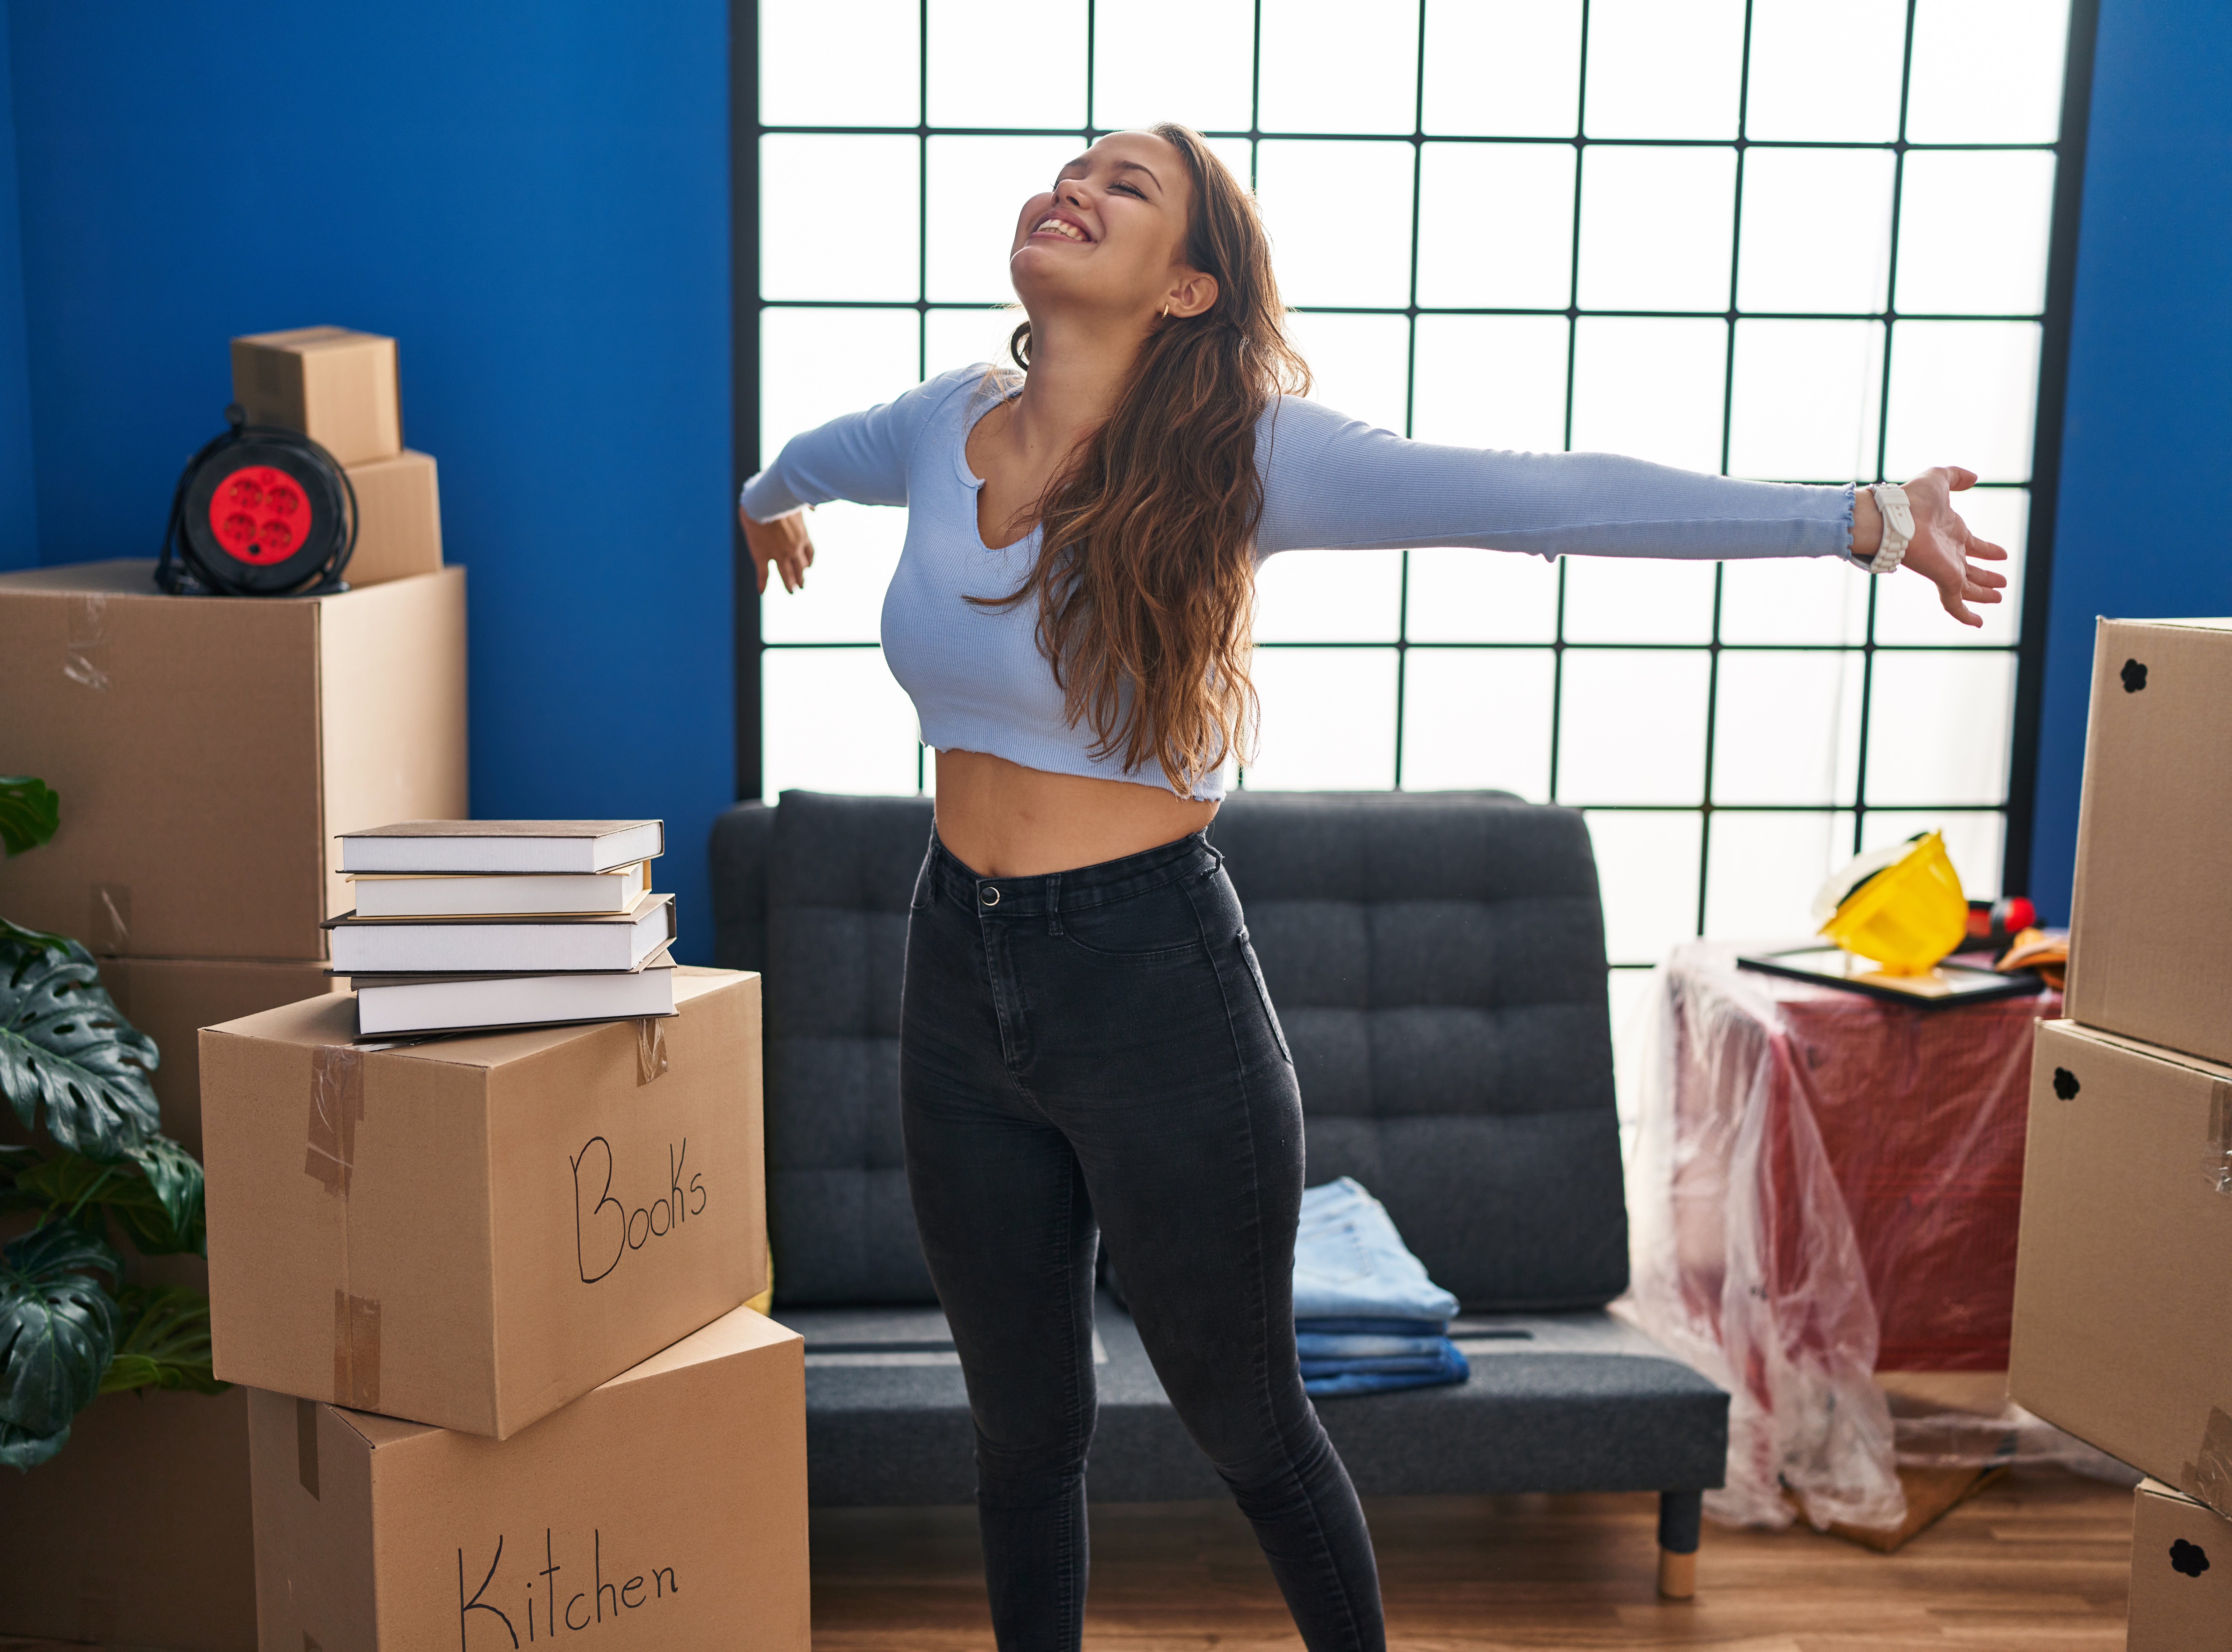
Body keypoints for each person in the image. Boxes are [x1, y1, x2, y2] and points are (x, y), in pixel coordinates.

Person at [737, 123, 2005, 1652]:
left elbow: (1545, 499)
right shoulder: (945, 424)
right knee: (1020, 1435)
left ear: (1191, 289)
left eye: (1124, 186)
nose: (1073, 186)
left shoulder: (1246, 453)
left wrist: (1858, 519)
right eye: (1072, 167)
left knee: (1248, 1425)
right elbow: (801, 459)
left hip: (1152, 982)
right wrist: (765, 501)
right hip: (954, 968)